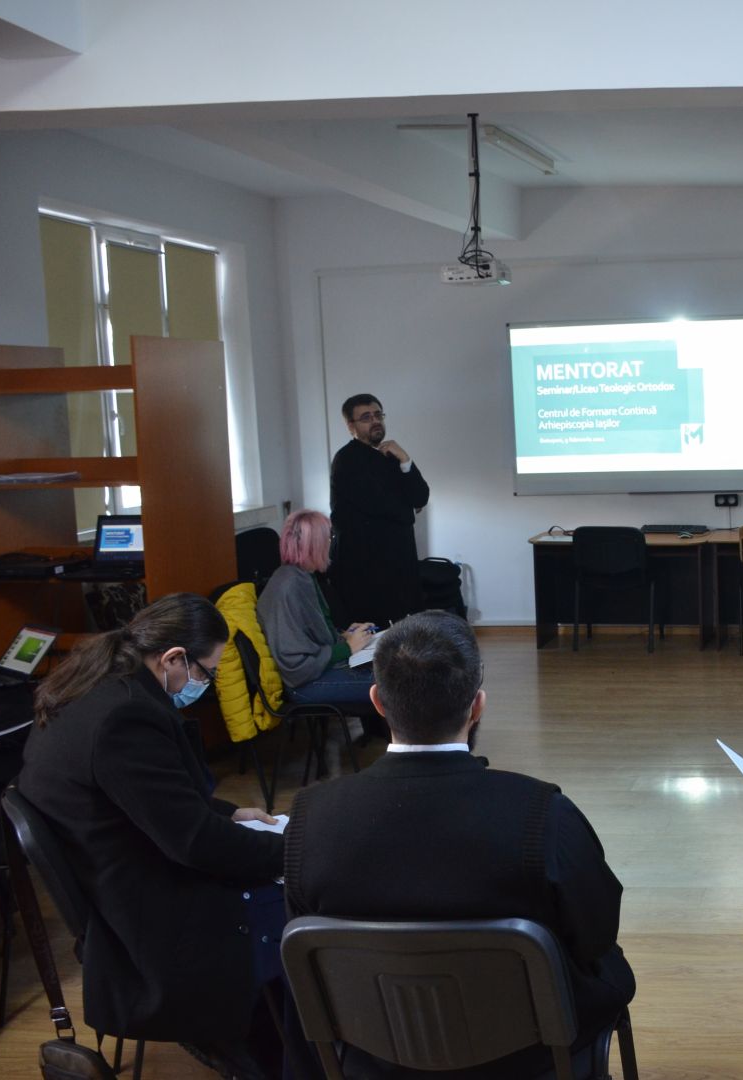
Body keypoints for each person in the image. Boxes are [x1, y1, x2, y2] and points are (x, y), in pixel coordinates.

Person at [284, 612, 635, 1078]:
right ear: (478, 706)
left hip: (375, 1055)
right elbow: (595, 933)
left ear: (378, 703)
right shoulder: (542, 814)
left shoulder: (310, 819)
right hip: (528, 1056)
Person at [15, 593, 285, 1074]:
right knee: (291, 903)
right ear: (173, 659)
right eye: (207, 672)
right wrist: (291, 850)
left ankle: (261, 1037)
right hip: (147, 917)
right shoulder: (125, 718)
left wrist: (227, 812)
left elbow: (146, 799)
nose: (207, 684)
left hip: (117, 881)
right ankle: (269, 1048)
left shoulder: (95, 686)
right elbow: (194, 843)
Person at [258, 508, 376, 773]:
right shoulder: (291, 585)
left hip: (314, 674)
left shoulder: (300, 576)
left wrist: (343, 636)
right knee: (395, 682)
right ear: (316, 544)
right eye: (328, 538)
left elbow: (310, 633)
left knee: (393, 671)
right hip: (305, 685)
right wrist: (346, 647)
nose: (331, 544)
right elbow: (297, 665)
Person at [330, 393, 430, 626]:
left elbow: (421, 495)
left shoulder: (390, 455)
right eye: (366, 417)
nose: (375, 421)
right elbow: (383, 506)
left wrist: (405, 459)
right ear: (350, 426)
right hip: (365, 569)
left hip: (397, 561)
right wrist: (410, 509)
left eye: (378, 414)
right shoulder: (347, 460)